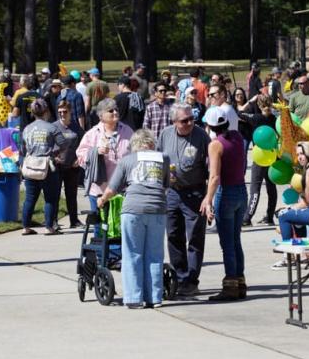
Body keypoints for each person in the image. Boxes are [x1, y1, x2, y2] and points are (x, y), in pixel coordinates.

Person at [98, 129, 170, 309]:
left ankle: (134, 298)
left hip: (133, 209)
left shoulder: (127, 160)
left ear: (134, 145)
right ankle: (154, 297)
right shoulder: (164, 158)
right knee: (155, 254)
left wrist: (102, 200)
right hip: (157, 209)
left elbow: (112, 188)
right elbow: (166, 185)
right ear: (152, 143)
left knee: (132, 254)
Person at [157, 103, 210, 296]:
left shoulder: (201, 136)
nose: (189, 123)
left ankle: (191, 280)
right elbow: (158, 159)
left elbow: (211, 167)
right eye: (184, 120)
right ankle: (179, 277)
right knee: (173, 235)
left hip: (194, 193)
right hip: (172, 193)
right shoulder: (165, 134)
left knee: (195, 237)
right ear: (174, 122)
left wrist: (209, 197)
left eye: (191, 119)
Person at [200, 106, 247, 301]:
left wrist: (208, 199)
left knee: (227, 242)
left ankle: (230, 286)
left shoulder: (215, 145)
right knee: (236, 240)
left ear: (209, 126)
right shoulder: (237, 137)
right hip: (241, 190)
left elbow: (214, 177)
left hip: (226, 192)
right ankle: (240, 282)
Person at [76, 98, 133, 218]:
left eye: (116, 109)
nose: (115, 112)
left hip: (122, 188)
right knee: (100, 227)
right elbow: (80, 155)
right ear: (101, 116)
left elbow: (136, 154)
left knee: (120, 226)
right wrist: (96, 151)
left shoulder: (128, 131)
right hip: (99, 190)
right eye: (111, 111)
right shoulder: (92, 134)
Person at [20, 99, 67, 236]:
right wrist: (55, 153)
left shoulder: (27, 129)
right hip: (48, 166)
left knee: (29, 198)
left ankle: (25, 227)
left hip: (30, 166)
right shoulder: (52, 128)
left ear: (33, 113)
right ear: (46, 111)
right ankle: (48, 227)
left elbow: (22, 149)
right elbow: (63, 144)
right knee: (50, 198)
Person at [239, 95, 278, 226]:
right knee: (271, 188)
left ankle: (247, 217)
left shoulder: (256, 118)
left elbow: (239, 113)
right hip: (273, 156)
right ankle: (270, 216)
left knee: (255, 188)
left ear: (259, 105)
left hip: (260, 157)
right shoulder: (274, 119)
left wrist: (250, 101)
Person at [53, 100, 85, 229]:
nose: (62, 114)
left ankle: (74, 220)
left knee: (71, 194)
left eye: (65, 112)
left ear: (70, 112)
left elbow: (84, 145)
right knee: (55, 194)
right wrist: (54, 157)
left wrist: (79, 159)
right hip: (57, 166)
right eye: (59, 112)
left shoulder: (76, 127)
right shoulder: (53, 126)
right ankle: (53, 221)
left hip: (72, 166)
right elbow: (48, 144)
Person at [231, 87, 253, 159]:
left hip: (245, 135)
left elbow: (249, 119)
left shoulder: (249, 107)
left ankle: (242, 170)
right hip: (233, 136)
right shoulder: (232, 107)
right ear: (234, 96)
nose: (239, 96)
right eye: (237, 95)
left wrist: (239, 118)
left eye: (241, 94)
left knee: (243, 155)